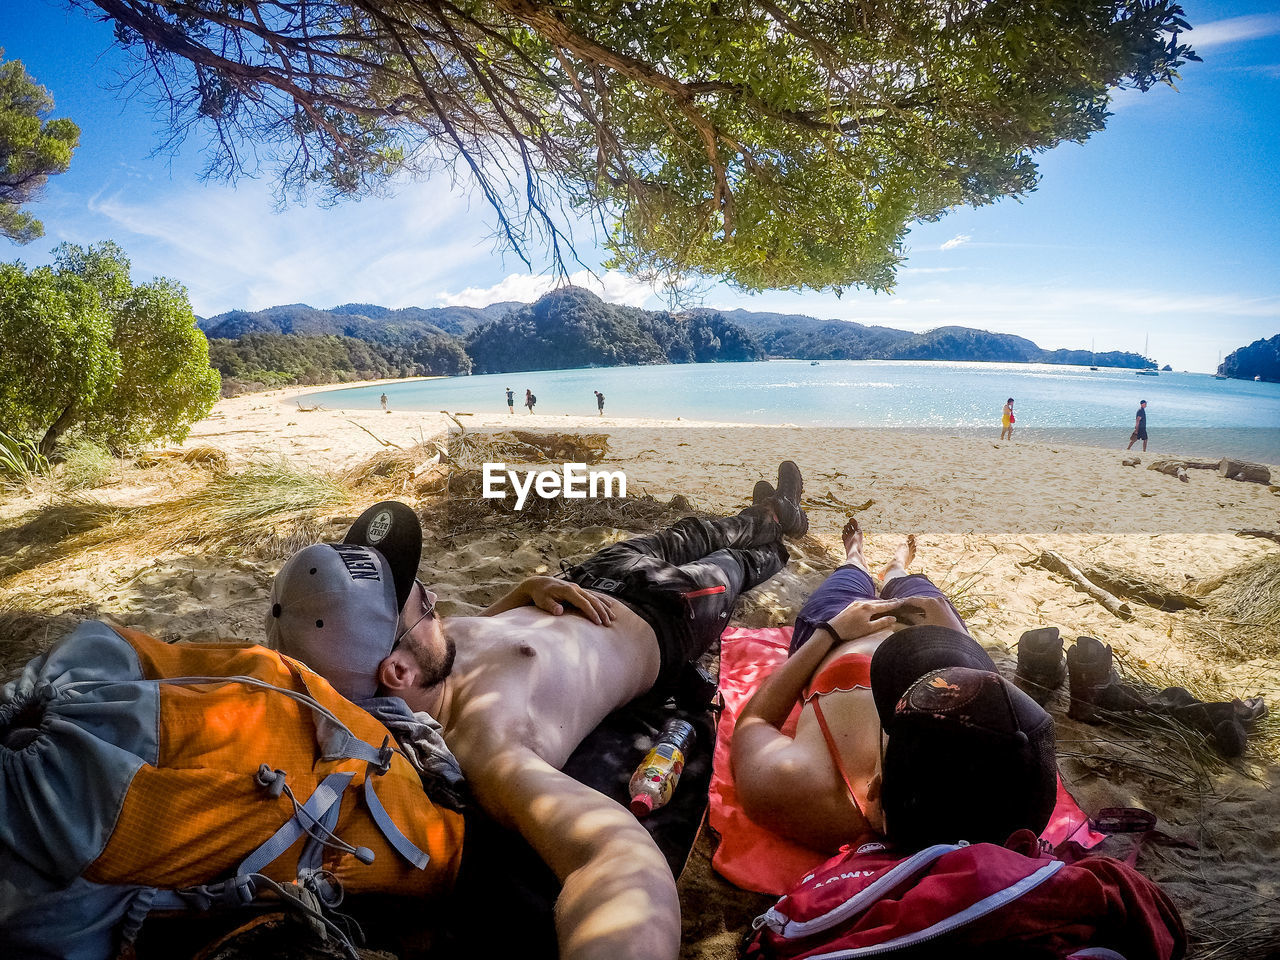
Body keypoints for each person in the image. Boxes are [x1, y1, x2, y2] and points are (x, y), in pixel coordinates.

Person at [267, 466, 809, 960]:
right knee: (733, 565)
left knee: (695, 531)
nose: (432, 595)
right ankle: (782, 531)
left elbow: (473, 634)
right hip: (667, 616)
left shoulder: (417, 662)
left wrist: (521, 591)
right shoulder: (487, 740)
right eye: (419, 603)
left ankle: (766, 514)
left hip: (597, 574)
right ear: (397, 673)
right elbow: (612, 856)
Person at [731, 518, 1057, 855]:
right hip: (941, 638)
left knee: (850, 577)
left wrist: (829, 633)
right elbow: (996, 702)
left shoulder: (800, 791)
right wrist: (957, 636)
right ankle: (896, 569)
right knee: (926, 597)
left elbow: (754, 723)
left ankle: (856, 557)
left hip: (839, 630)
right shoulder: (1018, 787)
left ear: (875, 791)